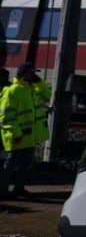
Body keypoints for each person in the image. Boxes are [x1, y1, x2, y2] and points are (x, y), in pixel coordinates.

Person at [0, 62, 53, 198]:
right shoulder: (13, 91)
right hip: (16, 136)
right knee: (10, 165)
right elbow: (6, 116)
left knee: (25, 164)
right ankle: (2, 191)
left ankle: (18, 189)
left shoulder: (31, 89)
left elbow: (47, 96)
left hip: (28, 136)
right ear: (24, 74)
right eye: (32, 73)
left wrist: (39, 82)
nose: (34, 75)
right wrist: (15, 133)